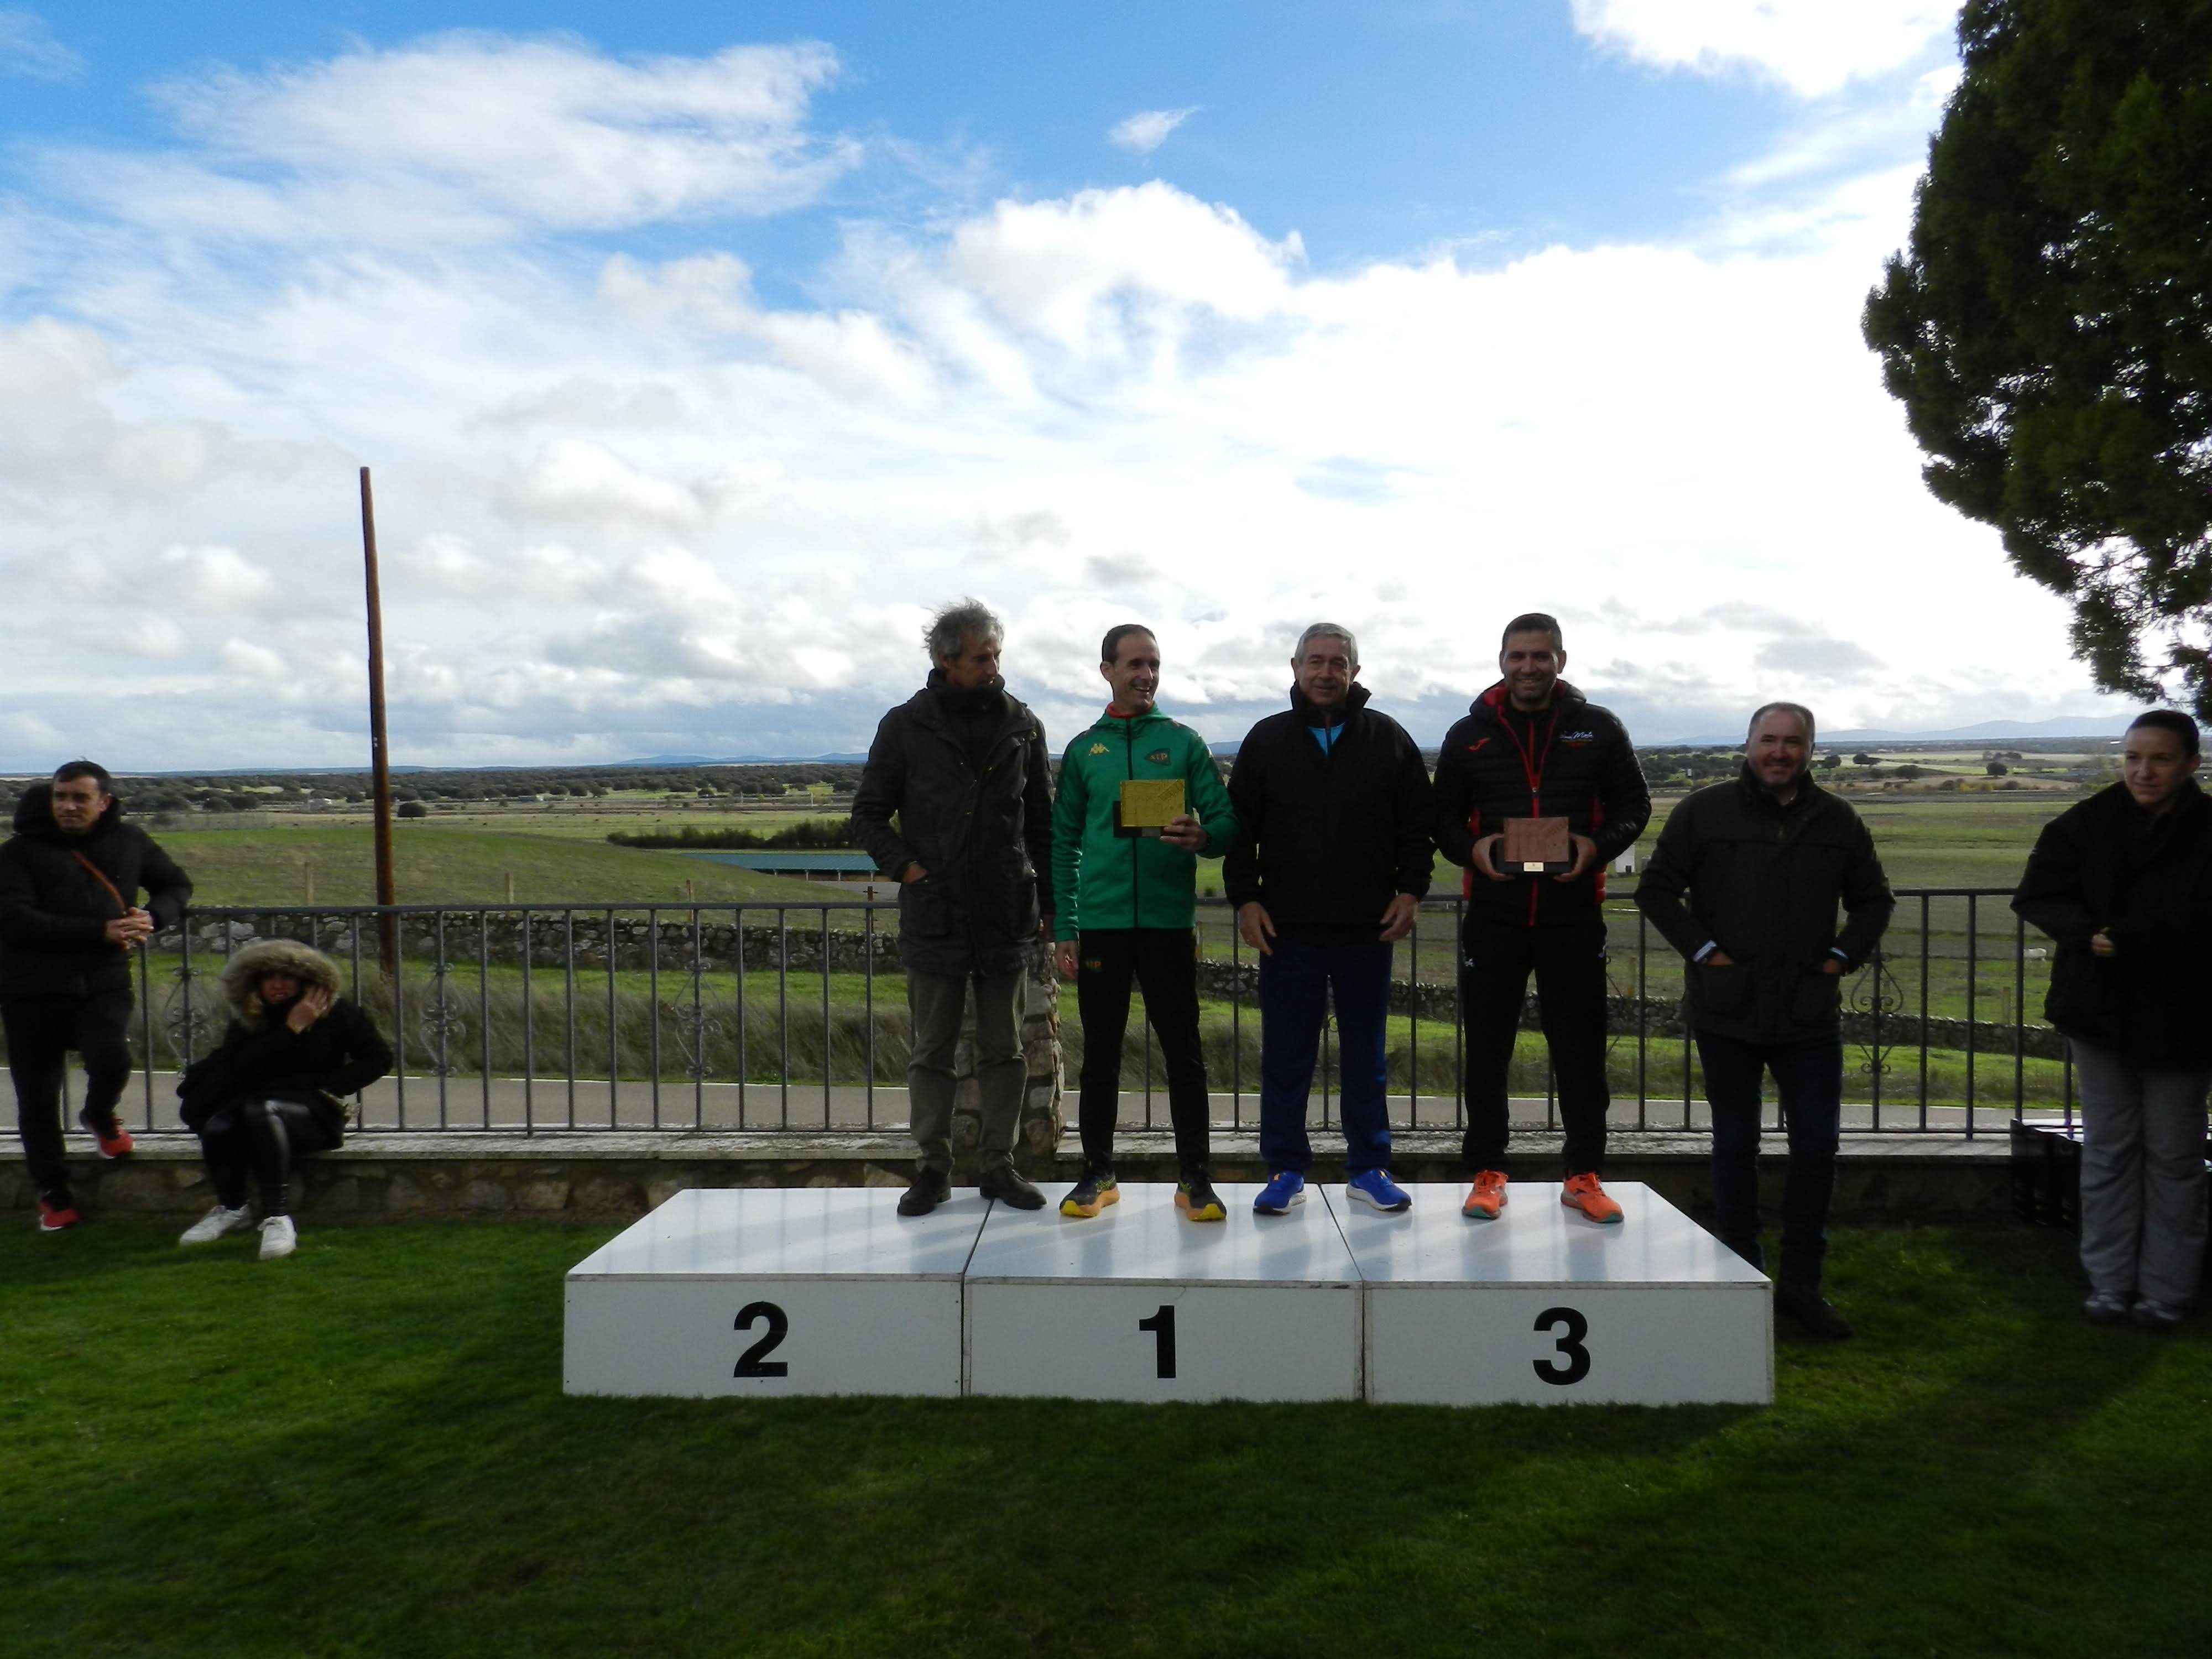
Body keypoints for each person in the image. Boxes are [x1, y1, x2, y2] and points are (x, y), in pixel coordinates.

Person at [1636, 702, 1893, 1340]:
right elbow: (1657, 889)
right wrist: (1707, 954)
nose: (1780, 752)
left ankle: (1803, 1285)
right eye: (1769, 740)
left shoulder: (1837, 819)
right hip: (1726, 1009)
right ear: (1748, 743)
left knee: (1816, 1148)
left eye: (1793, 742)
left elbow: (1873, 900)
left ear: (1810, 749)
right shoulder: (1704, 810)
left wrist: (1840, 958)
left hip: (1809, 1012)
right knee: (1734, 1146)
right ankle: (1742, 1274)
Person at [1432, 613, 1650, 1225]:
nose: (1528, 667)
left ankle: (1582, 1176)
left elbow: (1636, 805)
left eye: (1540, 656)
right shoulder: (1467, 733)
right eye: (1517, 656)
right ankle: (1486, 1175)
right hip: (1494, 916)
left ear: (1560, 659)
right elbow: (1443, 816)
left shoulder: (1598, 728)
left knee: (1580, 1053)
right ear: (1501, 660)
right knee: (1488, 1051)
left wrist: (1595, 847)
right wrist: (1470, 851)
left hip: (1572, 916)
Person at [853, 598, 1055, 1217]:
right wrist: (909, 869)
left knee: (1006, 1050)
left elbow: (1042, 824)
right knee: (931, 1051)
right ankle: (932, 1169)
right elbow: (867, 815)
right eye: (981, 657)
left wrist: (1049, 903)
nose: (994, 667)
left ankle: (999, 1166)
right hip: (935, 916)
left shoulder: (1023, 725)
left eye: (997, 654)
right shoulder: (904, 726)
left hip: (1006, 917)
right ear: (945, 660)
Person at [2012, 709, 2212, 1332]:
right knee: (2108, 1148)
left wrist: (2132, 938)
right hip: (2098, 1010)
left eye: (2158, 759)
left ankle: (2165, 1289)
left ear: (2190, 764)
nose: (2142, 771)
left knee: (2176, 1155)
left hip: (2184, 1015)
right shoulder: (2085, 824)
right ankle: (2108, 1282)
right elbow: (2038, 894)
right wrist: (2086, 934)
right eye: (2132, 758)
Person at [1225, 623, 1434, 1215]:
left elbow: (1416, 827)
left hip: (1367, 930)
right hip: (1285, 932)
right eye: (1314, 661)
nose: (1324, 672)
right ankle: (1284, 1169)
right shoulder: (1265, 741)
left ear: (1354, 672)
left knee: (1365, 1059)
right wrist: (1245, 898)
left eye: (1336, 663)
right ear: (1294, 668)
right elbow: (1240, 832)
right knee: (1286, 1059)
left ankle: (1368, 1167)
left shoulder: (1387, 739)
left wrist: (1411, 891)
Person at [1051, 624, 1239, 1222]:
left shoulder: (1183, 743)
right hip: (1102, 925)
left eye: (1153, 664)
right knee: (1099, 1055)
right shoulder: (1085, 750)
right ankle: (1097, 1174)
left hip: (1165, 925)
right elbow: (1062, 844)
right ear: (1106, 669)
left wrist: (1203, 836)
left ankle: (1195, 1180)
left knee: (1184, 1054)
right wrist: (1065, 925)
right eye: (1134, 664)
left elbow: (1228, 825)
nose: (1146, 675)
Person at [0, 760, 191, 1233]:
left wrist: (154, 917)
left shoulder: (129, 842)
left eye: (79, 798)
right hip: (31, 991)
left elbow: (175, 885)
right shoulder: (17, 854)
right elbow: (15, 919)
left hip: (103, 982)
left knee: (111, 1061)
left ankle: (99, 1115)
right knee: (38, 1100)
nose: (67, 806)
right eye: (60, 796)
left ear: (103, 802)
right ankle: (54, 1194)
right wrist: (99, 931)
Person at [175, 940, 392, 1260]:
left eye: (287, 977)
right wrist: (292, 1028)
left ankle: (277, 1218)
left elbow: (378, 1058)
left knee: (262, 1111)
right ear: (255, 983)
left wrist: (329, 1086)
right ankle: (233, 1209)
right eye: (268, 977)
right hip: (252, 1108)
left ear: (304, 981)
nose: (277, 985)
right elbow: (240, 1070)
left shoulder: (336, 1013)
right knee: (220, 1125)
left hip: (313, 1114)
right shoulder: (251, 1019)